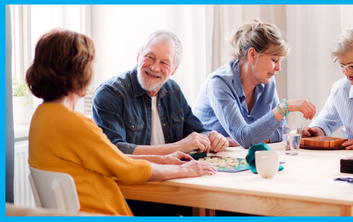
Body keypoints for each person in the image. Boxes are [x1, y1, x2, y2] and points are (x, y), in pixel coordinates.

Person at [26, 29, 216, 216]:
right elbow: (126, 169)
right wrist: (184, 170)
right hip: (105, 213)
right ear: (80, 72)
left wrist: (163, 159)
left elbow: (113, 161)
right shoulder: (75, 124)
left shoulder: (42, 116)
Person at [92, 30, 228, 155]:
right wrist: (178, 147)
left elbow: (196, 132)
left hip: (173, 173)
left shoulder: (173, 90)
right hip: (133, 178)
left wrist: (212, 137)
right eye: (150, 57)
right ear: (139, 55)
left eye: (164, 63)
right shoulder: (110, 93)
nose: (154, 67)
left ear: (174, 69)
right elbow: (115, 150)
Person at [193, 19, 316, 148]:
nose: (278, 68)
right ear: (252, 55)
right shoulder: (219, 84)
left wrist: (247, 139)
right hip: (207, 160)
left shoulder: (268, 82)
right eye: (274, 60)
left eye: (281, 61)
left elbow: (280, 131)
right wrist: (285, 107)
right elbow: (245, 138)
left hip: (239, 157)